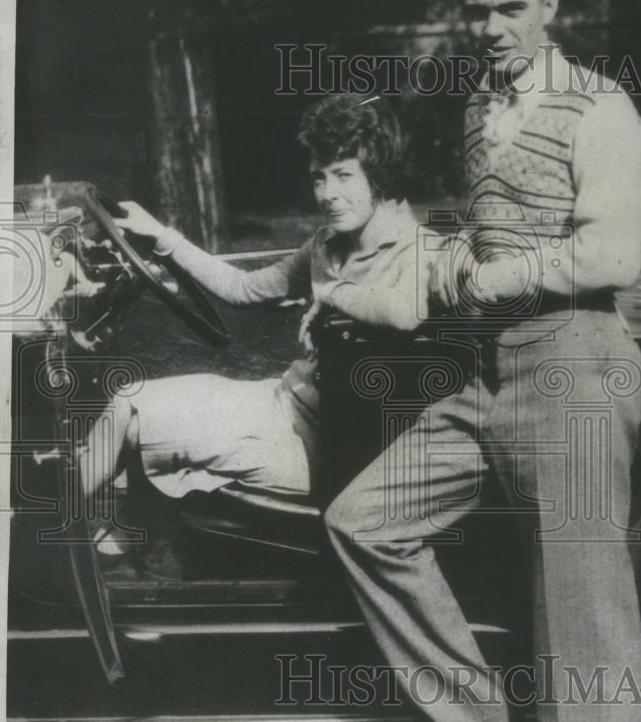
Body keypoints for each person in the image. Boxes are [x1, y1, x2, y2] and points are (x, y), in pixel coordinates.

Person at [325, 0, 641, 722]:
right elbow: (495, 224)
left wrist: (498, 274)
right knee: (364, 521)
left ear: (550, 5)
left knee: (583, 612)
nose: (494, 28)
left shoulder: (599, 106)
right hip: (488, 369)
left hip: (577, 362)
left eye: (512, 8)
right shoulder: (478, 105)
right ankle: (471, 711)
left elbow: (611, 252)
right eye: (479, 12)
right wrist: (442, 261)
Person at [79, 94, 435, 538]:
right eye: (318, 178)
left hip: (329, 450)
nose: (327, 194)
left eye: (344, 175)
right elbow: (244, 289)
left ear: (380, 176)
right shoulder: (328, 244)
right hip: (282, 402)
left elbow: (406, 314)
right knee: (127, 401)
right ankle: (95, 546)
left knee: (130, 419)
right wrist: (160, 235)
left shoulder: (420, 250)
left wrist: (330, 294)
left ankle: (40, 539)